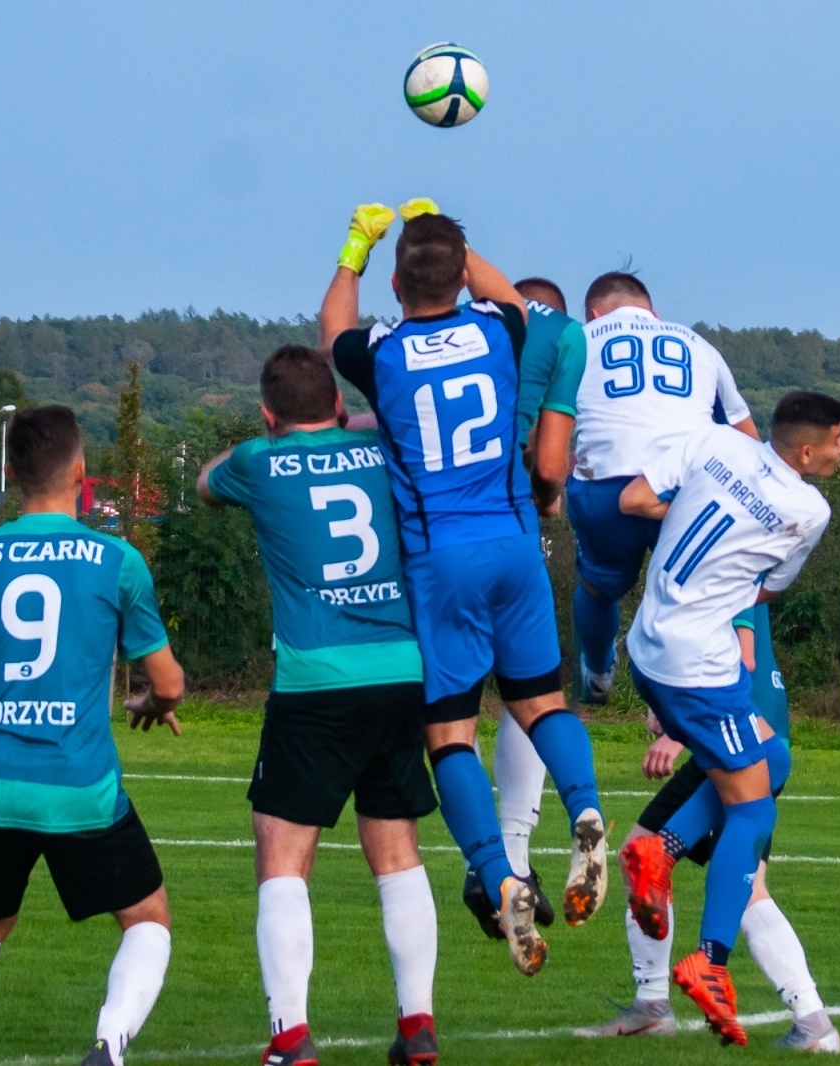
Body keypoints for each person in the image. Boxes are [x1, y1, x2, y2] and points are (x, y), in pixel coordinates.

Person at [318, 201, 606, 977]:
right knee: (542, 704)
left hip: (440, 558)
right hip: (514, 543)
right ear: (461, 273)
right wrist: (446, 230)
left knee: (448, 733)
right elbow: (507, 292)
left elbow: (332, 325)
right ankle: (585, 809)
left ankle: (499, 871)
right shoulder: (497, 329)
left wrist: (355, 248)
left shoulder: (383, 355)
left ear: (397, 279)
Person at [0, 405, 185, 1066]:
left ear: (9, 475)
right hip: (76, 784)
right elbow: (168, 681)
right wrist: (154, 700)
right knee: (147, 919)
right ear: (82, 474)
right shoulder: (117, 560)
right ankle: (110, 1044)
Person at [196, 346, 441, 1066]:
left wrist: (269, 436)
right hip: (401, 671)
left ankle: (292, 1037)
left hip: (315, 681)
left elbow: (206, 484)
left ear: (269, 414)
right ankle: (417, 1024)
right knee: (396, 854)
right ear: (337, 404)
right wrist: (361, 420)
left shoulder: (257, 460)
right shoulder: (383, 452)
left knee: (282, 855)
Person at [614, 391, 840, 1045]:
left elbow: (633, 500)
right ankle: (710, 964)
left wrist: (688, 514)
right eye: (837, 438)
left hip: (648, 648)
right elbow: (767, 588)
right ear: (806, 450)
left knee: (772, 763)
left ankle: (660, 855)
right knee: (753, 813)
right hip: (701, 668)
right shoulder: (808, 510)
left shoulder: (712, 443)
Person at [575, 603, 840, 1052]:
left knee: (650, 856)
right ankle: (811, 1021)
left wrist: (680, 732)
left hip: (739, 740)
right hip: (751, 737)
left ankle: (656, 1005)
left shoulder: (719, 558)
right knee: (734, 879)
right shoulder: (727, 552)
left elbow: (743, 657)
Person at [539, 272, 758, 704]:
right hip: (687, 489)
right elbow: (748, 440)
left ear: (595, 313)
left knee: (599, 588)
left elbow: (553, 427)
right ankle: (719, 682)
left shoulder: (578, 339)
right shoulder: (698, 345)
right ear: (653, 313)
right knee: (710, 589)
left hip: (608, 488)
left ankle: (599, 669)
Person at [459, 275, 586, 935]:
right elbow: (549, 468)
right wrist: (548, 493)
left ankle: (488, 858)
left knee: (450, 716)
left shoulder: (448, 336)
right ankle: (512, 850)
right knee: (533, 696)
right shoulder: (559, 341)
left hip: (433, 542)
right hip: (508, 535)